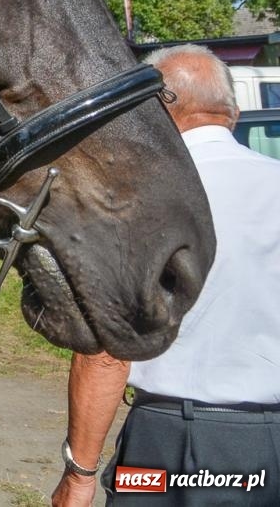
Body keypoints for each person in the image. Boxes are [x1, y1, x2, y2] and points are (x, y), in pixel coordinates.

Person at [50, 45, 280, 507]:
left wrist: (79, 475)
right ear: (232, 111)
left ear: (152, 111)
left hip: (165, 447)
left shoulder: (131, 204)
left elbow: (108, 354)